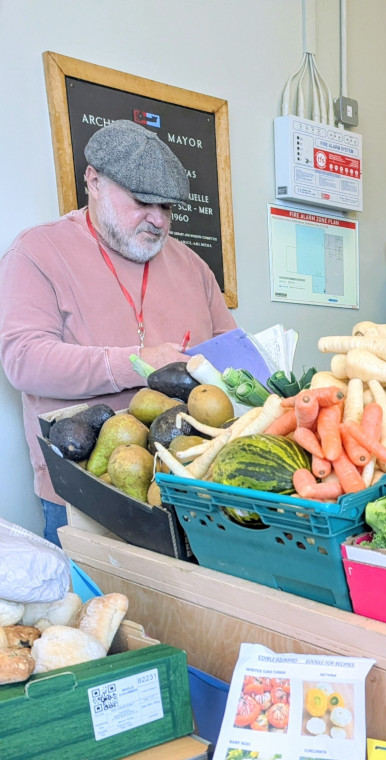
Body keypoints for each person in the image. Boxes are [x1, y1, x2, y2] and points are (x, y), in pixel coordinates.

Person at [0, 119, 236, 543]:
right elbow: (24, 360)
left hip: (187, 492)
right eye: (142, 201)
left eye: (167, 208)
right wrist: (138, 364)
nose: (158, 221)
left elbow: (230, 356)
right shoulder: (36, 252)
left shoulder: (194, 267)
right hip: (82, 497)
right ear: (93, 181)